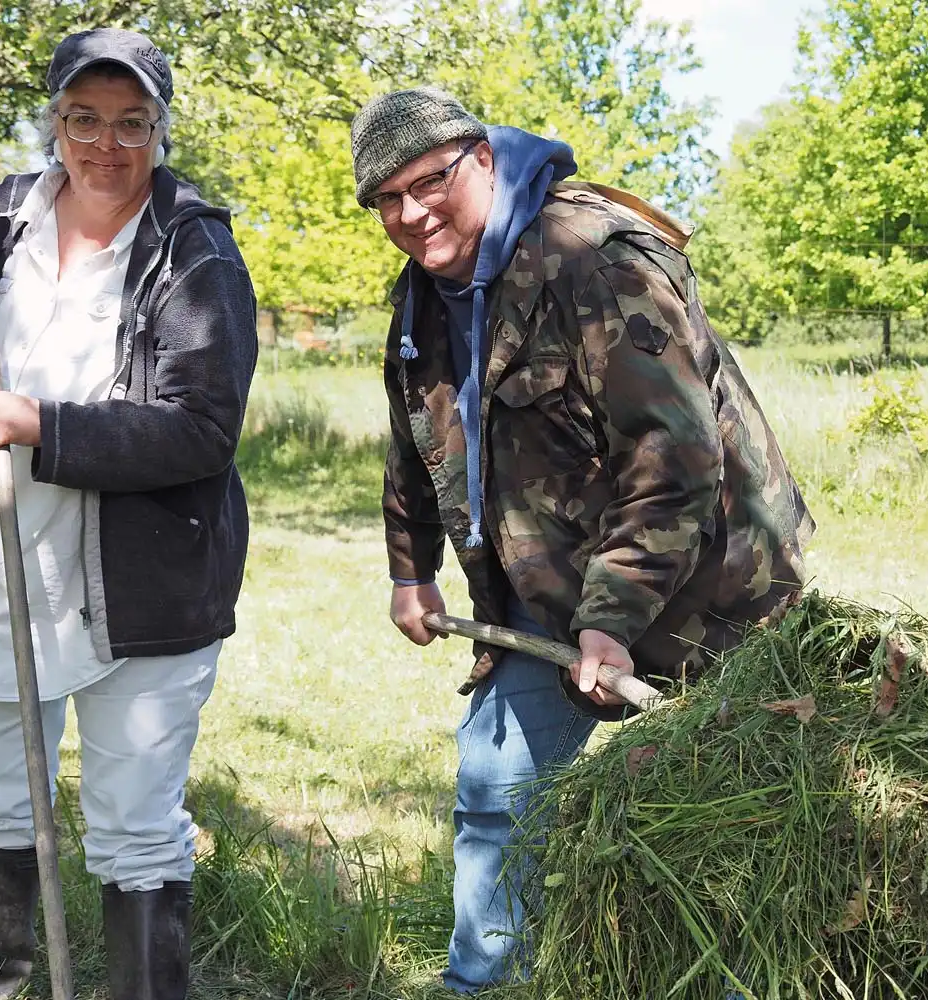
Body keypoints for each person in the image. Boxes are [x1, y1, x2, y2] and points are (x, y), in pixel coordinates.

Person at [349, 87, 815, 993]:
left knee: (716, 826)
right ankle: (484, 984)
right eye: (386, 201)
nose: (411, 213)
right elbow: (416, 438)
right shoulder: (424, 293)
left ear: (480, 158)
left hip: (708, 589)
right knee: (496, 794)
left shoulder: (593, 264)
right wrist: (413, 571)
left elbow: (675, 460)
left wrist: (611, 617)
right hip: (549, 582)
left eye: (429, 182)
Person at [0, 27, 257, 1000]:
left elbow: (201, 430)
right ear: (55, 123)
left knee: (134, 821)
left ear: (158, 129)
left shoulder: (192, 245)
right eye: (84, 119)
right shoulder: (1, 216)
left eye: (130, 122)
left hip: (137, 590)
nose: (106, 143)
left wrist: (46, 426)